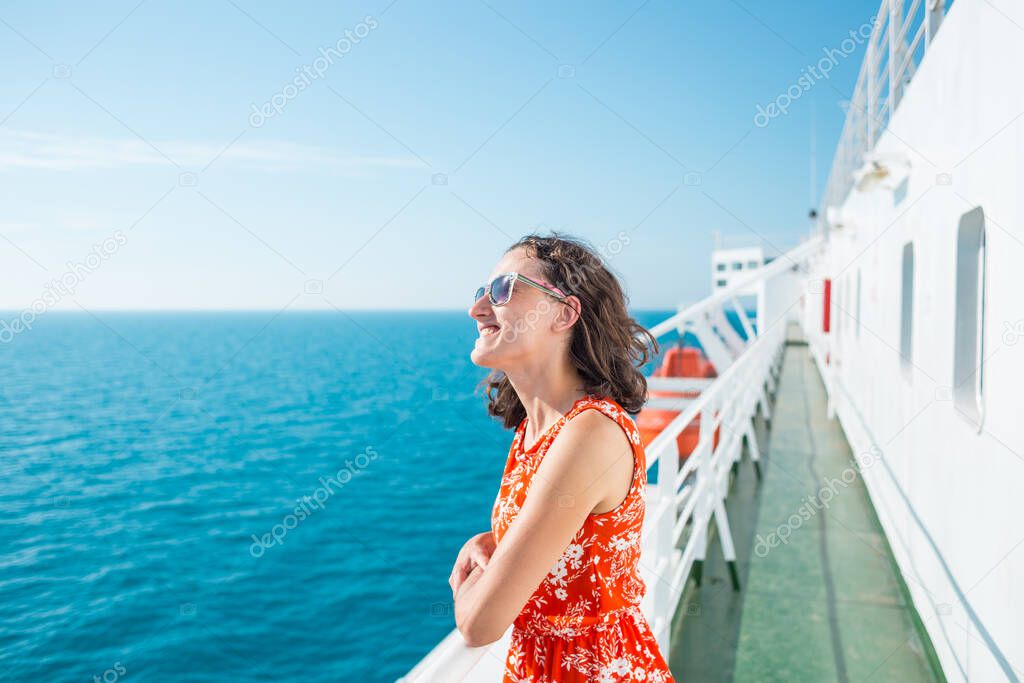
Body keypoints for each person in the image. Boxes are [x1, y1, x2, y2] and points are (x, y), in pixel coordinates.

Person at [451, 233, 675, 682]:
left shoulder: (589, 434)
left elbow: (480, 624)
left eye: (503, 290)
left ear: (565, 313)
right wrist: (494, 541)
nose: (477, 309)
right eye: (481, 292)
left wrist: (469, 586)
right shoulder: (534, 430)